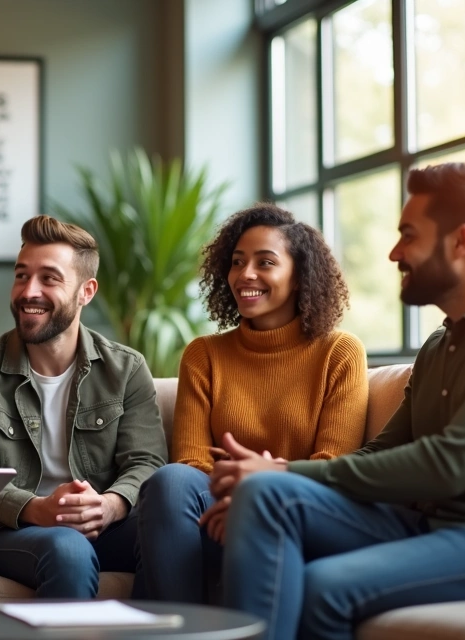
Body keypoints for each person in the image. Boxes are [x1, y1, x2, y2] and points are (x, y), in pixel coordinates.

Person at [216, 163, 465, 640]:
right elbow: (381, 453)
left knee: (325, 584)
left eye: (409, 236)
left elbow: (449, 464)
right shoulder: (441, 345)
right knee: (262, 495)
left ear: (462, 241)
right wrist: (271, 483)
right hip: (432, 527)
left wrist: (288, 472)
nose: (395, 252)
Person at [135, 204, 368, 603]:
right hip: (215, 518)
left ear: (298, 277)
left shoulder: (339, 353)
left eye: (266, 262)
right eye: (238, 262)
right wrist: (235, 502)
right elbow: (191, 464)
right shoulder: (203, 354)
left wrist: (255, 498)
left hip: (294, 515)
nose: (245, 275)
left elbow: (332, 465)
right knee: (170, 481)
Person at [0, 215, 167, 598]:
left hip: (104, 525)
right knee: (67, 547)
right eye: (21, 275)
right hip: (17, 531)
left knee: (171, 528)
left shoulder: (126, 369)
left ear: (86, 291)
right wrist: (37, 508)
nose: (29, 291)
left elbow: (147, 462)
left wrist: (109, 506)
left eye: (49, 278)